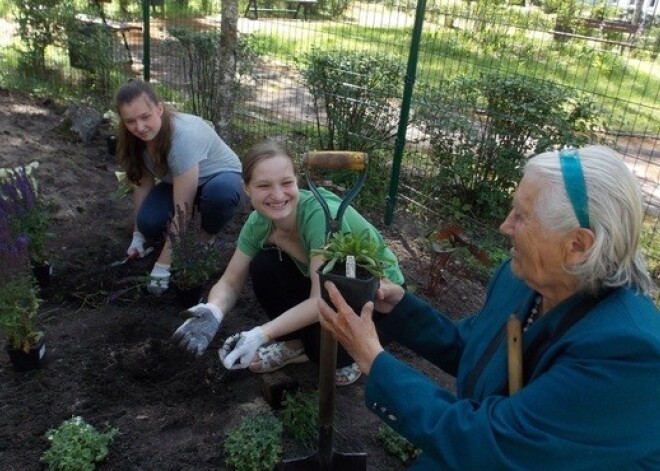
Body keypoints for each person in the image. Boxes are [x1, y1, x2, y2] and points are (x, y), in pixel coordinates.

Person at [318, 145, 660, 469]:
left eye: (522, 216)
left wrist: (373, 362)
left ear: (577, 245)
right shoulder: (524, 281)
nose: (505, 225)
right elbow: (477, 352)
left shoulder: (627, 354)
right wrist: (401, 308)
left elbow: (494, 443)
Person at [172, 140, 405, 386]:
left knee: (320, 347)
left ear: (297, 182)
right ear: (247, 188)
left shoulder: (320, 216)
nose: (278, 195)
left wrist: (262, 334)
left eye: (286, 183)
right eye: (263, 185)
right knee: (264, 265)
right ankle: (295, 344)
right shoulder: (258, 223)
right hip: (329, 291)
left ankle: (348, 357)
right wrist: (214, 310)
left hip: (378, 303)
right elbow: (230, 283)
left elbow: (319, 301)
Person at [115, 79, 243, 294]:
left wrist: (162, 268)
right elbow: (142, 186)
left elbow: (181, 211)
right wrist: (138, 236)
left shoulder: (182, 137)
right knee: (148, 223)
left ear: (159, 109)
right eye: (130, 121)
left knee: (220, 196)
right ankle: (176, 232)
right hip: (177, 181)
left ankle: (206, 238)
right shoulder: (134, 140)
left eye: (145, 117)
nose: (139, 127)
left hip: (219, 177)